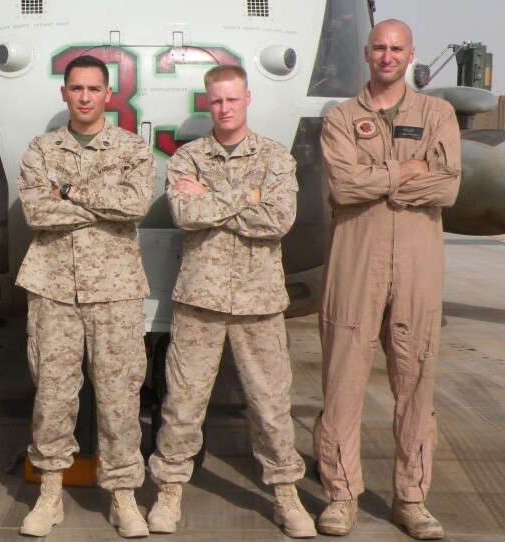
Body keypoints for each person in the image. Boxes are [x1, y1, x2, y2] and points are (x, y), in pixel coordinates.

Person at [146, 64, 316, 538]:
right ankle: (169, 491)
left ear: (247, 99)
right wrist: (248, 197)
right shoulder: (187, 159)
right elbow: (184, 213)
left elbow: (279, 220)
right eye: (216, 101)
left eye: (232, 100)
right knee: (182, 403)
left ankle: (286, 494)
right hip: (200, 299)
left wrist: (215, 198)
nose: (224, 108)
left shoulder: (275, 157)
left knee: (270, 405)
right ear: (208, 103)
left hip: (258, 302)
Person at [314, 19, 460, 540]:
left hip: (417, 264)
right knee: (342, 381)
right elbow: (344, 186)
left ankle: (411, 498)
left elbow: (446, 187)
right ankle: (340, 495)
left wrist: (381, 182)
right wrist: (406, 171)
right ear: (368, 53)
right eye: (379, 47)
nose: (387, 56)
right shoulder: (340, 117)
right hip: (356, 258)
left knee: (416, 380)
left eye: (397, 48)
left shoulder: (437, 113)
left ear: (410, 54)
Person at [15, 55, 155, 538]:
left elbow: (135, 204)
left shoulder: (132, 149)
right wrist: (99, 202)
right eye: (76, 88)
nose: (85, 97)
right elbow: (36, 211)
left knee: (119, 396)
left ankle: (123, 496)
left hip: (115, 289)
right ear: (64, 93)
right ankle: (50, 493)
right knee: (52, 395)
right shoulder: (41, 148)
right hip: (53, 287)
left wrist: (69, 192)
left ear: (108, 94)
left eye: (94, 89)